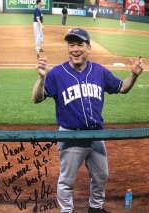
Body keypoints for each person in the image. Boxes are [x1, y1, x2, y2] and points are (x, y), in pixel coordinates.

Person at [32, 28, 144, 213]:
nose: (75, 49)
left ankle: (95, 208)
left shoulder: (99, 71)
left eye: (79, 44)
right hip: (71, 136)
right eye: (71, 45)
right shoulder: (57, 74)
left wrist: (133, 75)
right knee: (67, 180)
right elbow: (37, 98)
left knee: (101, 175)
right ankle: (66, 211)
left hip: (96, 134)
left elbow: (121, 88)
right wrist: (41, 78)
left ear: (88, 48)